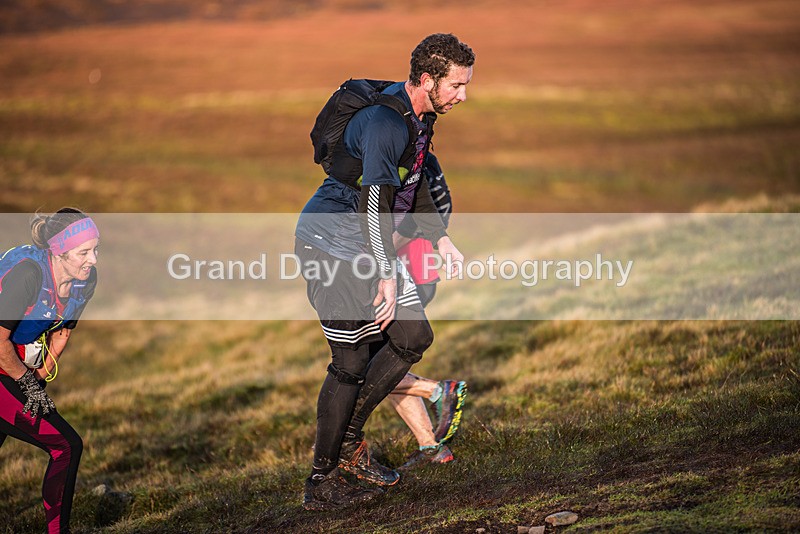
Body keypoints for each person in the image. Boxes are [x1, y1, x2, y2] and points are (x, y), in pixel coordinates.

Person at [296, 33, 475, 510]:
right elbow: (373, 205)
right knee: (350, 365)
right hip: (330, 243)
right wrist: (387, 273)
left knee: (413, 335)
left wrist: (441, 238)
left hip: (363, 242)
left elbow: (411, 184)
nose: (463, 95)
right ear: (427, 79)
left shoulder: (420, 120)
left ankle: (351, 441)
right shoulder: (383, 124)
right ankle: (322, 480)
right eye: (456, 85)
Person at [0, 208, 99, 534]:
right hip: (4, 364)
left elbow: (61, 333)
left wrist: (37, 380)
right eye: (84, 252)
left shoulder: (85, 282)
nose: (93, 260)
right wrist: (25, 381)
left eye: (96, 249)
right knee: (66, 446)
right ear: (58, 250)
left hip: (12, 371)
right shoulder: (28, 275)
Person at [385, 153, 468, 470]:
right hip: (419, 270)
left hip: (405, 272)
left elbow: (416, 219)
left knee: (368, 365)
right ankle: (432, 448)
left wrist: (367, 255)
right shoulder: (421, 155)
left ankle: (438, 391)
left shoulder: (402, 157)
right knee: (386, 359)